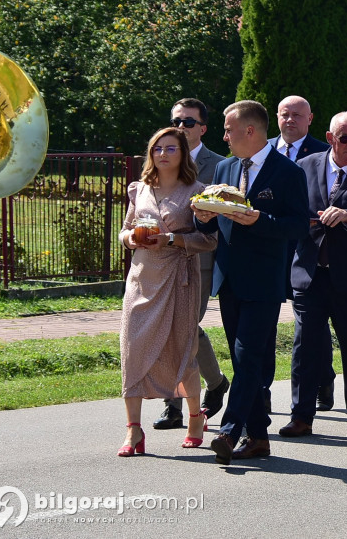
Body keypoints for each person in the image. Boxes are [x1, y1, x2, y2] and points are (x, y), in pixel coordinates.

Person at [193, 100, 310, 464]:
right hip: (228, 279)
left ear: (249, 131)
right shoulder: (225, 167)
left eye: (228, 129)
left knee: (247, 357)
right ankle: (259, 437)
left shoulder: (287, 172)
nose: (224, 136)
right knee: (247, 362)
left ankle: (230, 432)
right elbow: (212, 223)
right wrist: (202, 216)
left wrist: (258, 220)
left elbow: (297, 227)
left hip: (263, 280)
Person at [278, 112, 347, 438]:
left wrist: (346, 215)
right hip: (310, 274)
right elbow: (293, 213)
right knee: (305, 346)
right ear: (331, 138)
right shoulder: (305, 166)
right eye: (346, 138)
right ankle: (301, 415)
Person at [117, 128, 217, 456]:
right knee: (132, 351)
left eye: (170, 148)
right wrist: (130, 239)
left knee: (182, 353)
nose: (162, 154)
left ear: (182, 154)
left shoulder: (197, 192)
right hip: (142, 278)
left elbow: (209, 241)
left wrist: (172, 240)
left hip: (179, 279)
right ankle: (133, 430)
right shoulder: (140, 189)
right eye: (157, 148)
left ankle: (194, 418)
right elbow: (125, 229)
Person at [153, 98, 230, 432]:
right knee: (172, 330)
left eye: (188, 122)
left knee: (183, 328)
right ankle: (204, 390)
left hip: (199, 260)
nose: (181, 127)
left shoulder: (220, 165)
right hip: (163, 262)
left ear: (203, 128)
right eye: (176, 121)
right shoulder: (161, 160)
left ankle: (193, 397)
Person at [269, 95, 331, 411]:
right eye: (284, 114)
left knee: (310, 324)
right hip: (271, 247)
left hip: (308, 248)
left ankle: (324, 378)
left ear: (310, 119)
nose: (290, 120)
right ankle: (260, 391)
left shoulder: (323, 152)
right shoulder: (263, 150)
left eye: (297, 115)